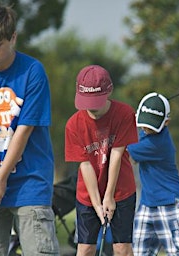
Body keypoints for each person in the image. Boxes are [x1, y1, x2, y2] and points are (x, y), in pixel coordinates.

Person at [0, 3, 60, 255]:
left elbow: (23, 131)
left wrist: (1, 179)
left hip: (30, 183)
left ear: (13, 37)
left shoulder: (32, 72)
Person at [64, 64, 138, 256]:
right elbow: (85, 165)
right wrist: (97, 204)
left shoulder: (124, 114)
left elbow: (116, 155)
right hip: (87, 194)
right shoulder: (74, 125)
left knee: (122, 248)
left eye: (95, 101)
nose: (91, 107)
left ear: (109, 91)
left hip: (121, 190)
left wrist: (109, 197)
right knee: (86, 249)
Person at [128, 92, 179, 256]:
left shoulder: (157, 143)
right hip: (147, 204)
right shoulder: (144, 134)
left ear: (166, 122)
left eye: (151, 127)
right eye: (144, 125)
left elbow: (126, 155)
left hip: (171, 204)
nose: (146, 129)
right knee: (140, 252)